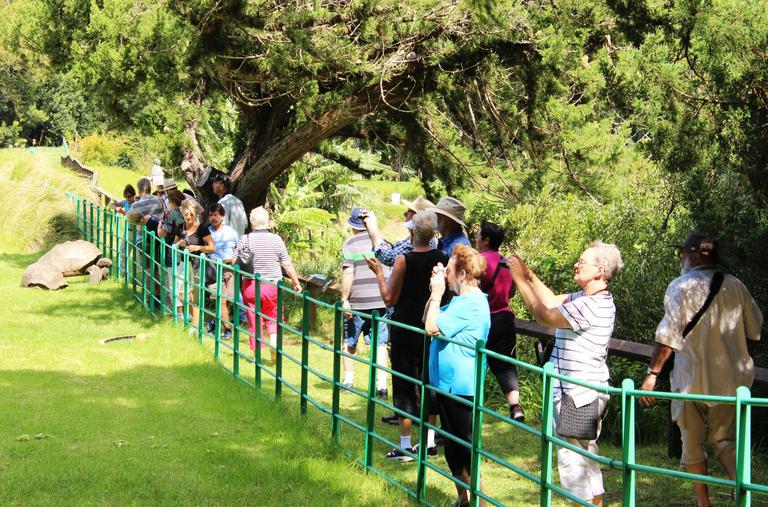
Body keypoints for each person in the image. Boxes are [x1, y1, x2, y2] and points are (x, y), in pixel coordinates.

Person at [639, 233, 763, 507]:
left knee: (691, 444)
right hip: (731, 382)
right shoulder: (736, 286)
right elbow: (755, 329)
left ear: (694, 255)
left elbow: (667, 337)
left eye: (682, 253)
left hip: (690, 380)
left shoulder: (679, 287)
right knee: (725, 441)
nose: (681, 259)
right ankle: (744, 494)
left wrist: (652, 375)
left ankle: (703, 503)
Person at [508, 241, 624, 506]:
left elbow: (545, 315)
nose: (576, 264)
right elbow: (550, 299)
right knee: (586, 459)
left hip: (578, 394)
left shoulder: (591, 306)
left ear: (599, 271)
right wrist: (529, 274)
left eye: (582, 262)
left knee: (573, 463)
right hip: (581, 393)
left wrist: (519, 281)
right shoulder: (586, 298)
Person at [366, 211, 447, 461]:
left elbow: (389, 298)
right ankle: (430, 443)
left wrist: (379, 273)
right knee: (430, 382)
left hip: (404, 329)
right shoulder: (442, 259)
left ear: (412, 232)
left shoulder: (403, 260)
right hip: (431, 328)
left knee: (404, 382)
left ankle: (405, 444)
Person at [423, 244, 490, 507]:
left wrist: (437, 293)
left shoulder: (470, 304)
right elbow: (427, 318)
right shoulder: (461, 301)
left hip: (460, 387)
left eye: (449, 270)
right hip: (447, 386)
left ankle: (480, 503)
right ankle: (464, 499)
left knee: (464, 449)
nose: (446, 274)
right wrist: (436, 291)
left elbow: (430, 326)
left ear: (462, 274)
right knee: (452, 448)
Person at [232, 207, 301, 361]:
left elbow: (233, 261)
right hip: (273, 285)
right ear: (268, 222)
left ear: (252, 222)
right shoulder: (276, 239)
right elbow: (287, 264)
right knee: (274, 315)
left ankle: (257, 354)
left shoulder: (245, 239)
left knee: (253, 317)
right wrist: (296, 282)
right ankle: (274, 343)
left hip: (251, 285)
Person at [475, 221, 524, 422]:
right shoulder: (506, 262)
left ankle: (470, 405)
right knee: (505, 365)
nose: (476, 239)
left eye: (478, 235)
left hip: (484, 317)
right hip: (505, 317)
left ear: (486, 240)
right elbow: (512, 291)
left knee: (475, 363)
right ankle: (515, 405)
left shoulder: (479, 261)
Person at [341, 207, 389, 398]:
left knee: (350, 342)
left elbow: (348, 271)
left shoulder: (350, 244)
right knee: (380, 344)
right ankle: (381, 386)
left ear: (353, 226)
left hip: (357, 302)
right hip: (381, 301)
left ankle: (348, 381)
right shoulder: (383, 241)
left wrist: (345, 299)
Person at [202, 203, 241, 340]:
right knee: (222, 300)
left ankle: (213, 321)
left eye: (216, 215)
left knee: (228, 300)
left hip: (229, 269)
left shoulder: (231, 232)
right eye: (211, 215)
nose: (213, 218)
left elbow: (239, 247)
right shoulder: (206, 232)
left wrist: (235, 260)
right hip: (213, 269)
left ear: (222, 216)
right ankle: (228, 329)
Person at [362, 196, 436, 266]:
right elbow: (393, 248)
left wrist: (372, 227)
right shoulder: (420, 237)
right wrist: (370, 229)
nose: (405, 214)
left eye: (409, 211)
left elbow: (389, 258)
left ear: (417, 216)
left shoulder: (420, 240)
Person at [175, 199, 214, 331]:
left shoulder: (202, 228)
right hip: (182, 265)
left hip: (197, 266)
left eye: (191, 214)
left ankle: (196, 326)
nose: (189, 217)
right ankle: (193, 320)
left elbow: (211, 247)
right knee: (182, 295)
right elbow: (174, 244)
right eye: (186, 214)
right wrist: (178, 244)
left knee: (195, 296)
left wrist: (197, 247)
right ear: (183, 214)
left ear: (195, 213)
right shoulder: (180, 227)